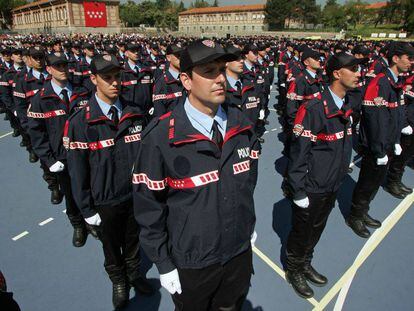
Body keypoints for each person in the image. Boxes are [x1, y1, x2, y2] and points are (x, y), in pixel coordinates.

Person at [133, 40, 260, 311]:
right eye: (208, 71)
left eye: (221, 70)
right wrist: (164, 263)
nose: (220, 79)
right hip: (193, 261)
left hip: (237, 250)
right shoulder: (160, 137)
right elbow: (149, 207)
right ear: (186, 80)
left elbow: (247, 182)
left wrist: (246, 225)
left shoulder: (241, 124)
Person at [66, 54, 154, 309]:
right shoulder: (80, 122)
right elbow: (77, 171)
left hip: (134, 195)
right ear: (93, 79)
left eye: (117, 76)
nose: (115, 83)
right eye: (107, 77)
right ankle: (118, 279)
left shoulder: (134, 113)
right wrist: (86, 210)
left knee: (134, 239)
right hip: (105, 200)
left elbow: (146, 155)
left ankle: (135, 273)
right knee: (111, 246)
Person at [285, 52, 362, 299]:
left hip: (332, 181)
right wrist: (297, 190)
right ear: (337, 74)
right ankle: (294, 267)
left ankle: (306, 261)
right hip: (312, 185)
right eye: (353, 69)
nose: (359, 73)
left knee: (318, 227)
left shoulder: (346, 104)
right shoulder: (314, 108)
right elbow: (299, 153)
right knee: (302, 230)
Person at [346, 42, 414, 238]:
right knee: (367, 181)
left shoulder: (396, 81)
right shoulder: (380, 82)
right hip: (376, 146)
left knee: (375, 181)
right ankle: (355, 215)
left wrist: (396, 138)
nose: (411, 62)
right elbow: (375, 120)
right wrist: (379, 149)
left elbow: (398, 113)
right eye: (409, 58)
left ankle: (363, 211)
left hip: (388, 143)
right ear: (395, 58)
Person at [27, 52, 91, 247]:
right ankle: (78, 224)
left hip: (86, 153)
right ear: (49, 69)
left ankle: (90, 220)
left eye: (64, 65)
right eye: (57, 66)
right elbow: (37, 133)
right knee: (71, 195)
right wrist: (49, 160)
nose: (62, 69)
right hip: (62, 158)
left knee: (90, 188)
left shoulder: (83, 92)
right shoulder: (41, 98)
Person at [152, 43, 184, 117]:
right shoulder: (161, 83)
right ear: (168, 57)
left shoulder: (188, 78)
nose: (181, 58)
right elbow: (159, 115)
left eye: (182, 55)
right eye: (177, 55)